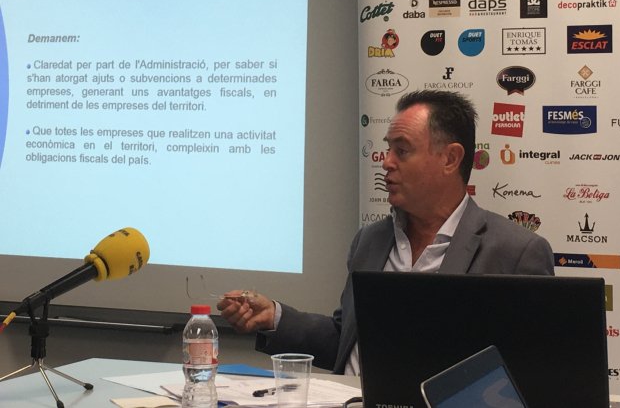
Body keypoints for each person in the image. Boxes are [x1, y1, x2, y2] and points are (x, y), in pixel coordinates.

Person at [217, 89, 554, 374]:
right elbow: (346, 342)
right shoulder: (370, 240)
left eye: (402, 150)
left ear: (450, 159)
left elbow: (534, 374)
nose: (386, 161)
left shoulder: (514, 253)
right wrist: (274, 317)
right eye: (388, 148)